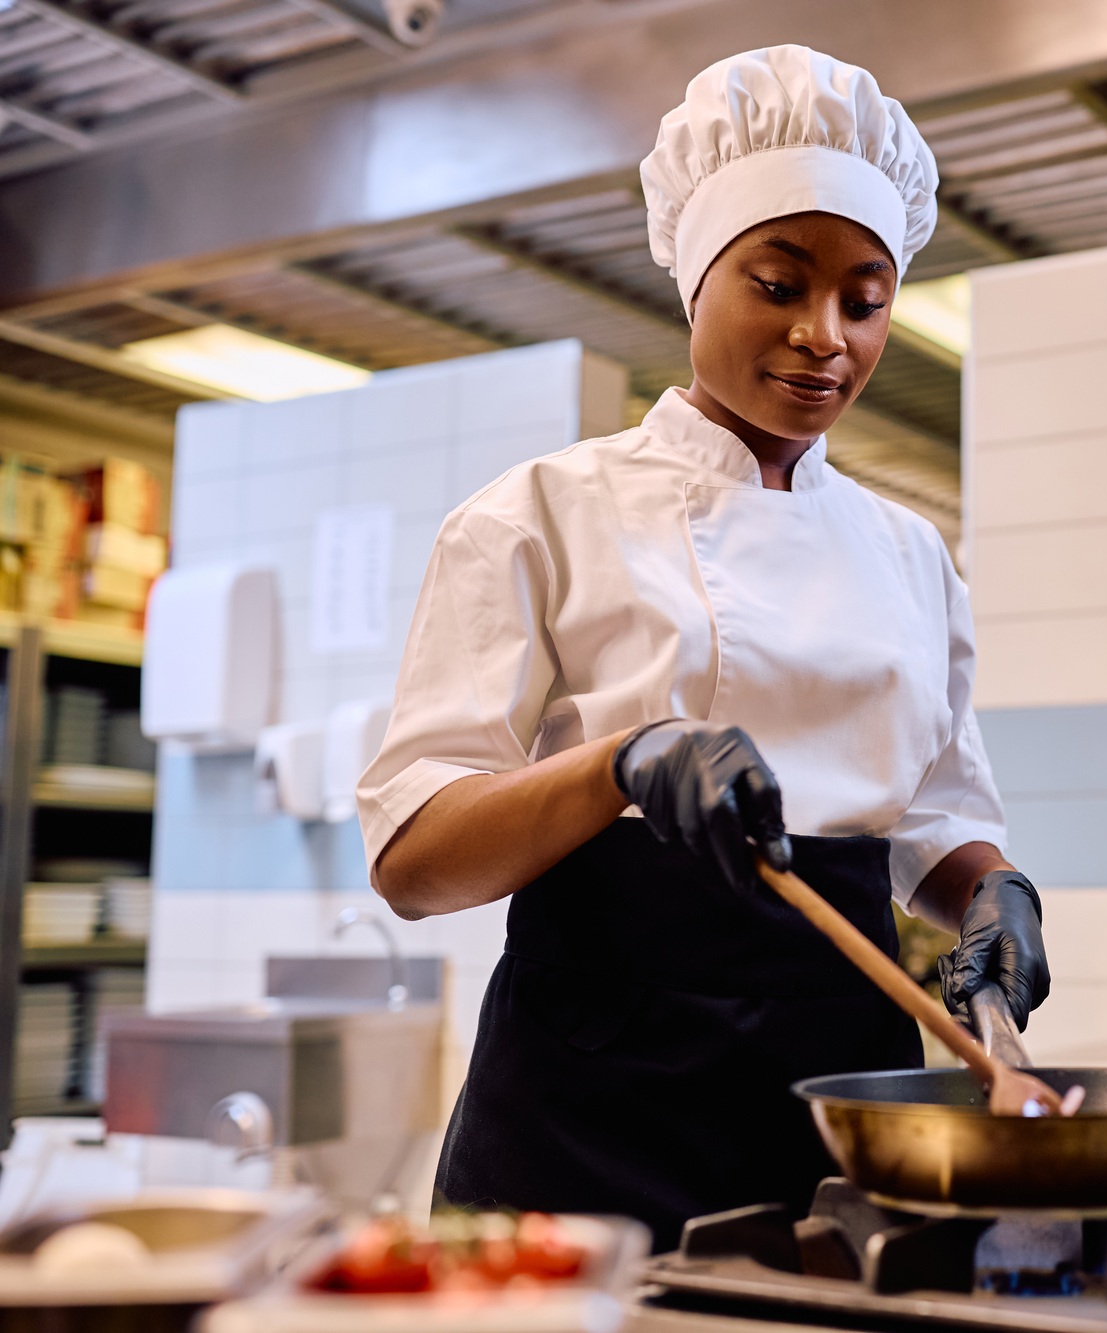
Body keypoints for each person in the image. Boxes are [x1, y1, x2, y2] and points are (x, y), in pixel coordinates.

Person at [356, 45, 1049, 1250]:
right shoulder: (537, 516)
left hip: (844, 1120)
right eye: (776, 284)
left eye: (864, 297)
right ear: (693, 277)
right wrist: (620, 764)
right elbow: (414, 863)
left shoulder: (907, 552)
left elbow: (934, 818)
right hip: (585, 1131)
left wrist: (995, 892)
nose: (823, 336)